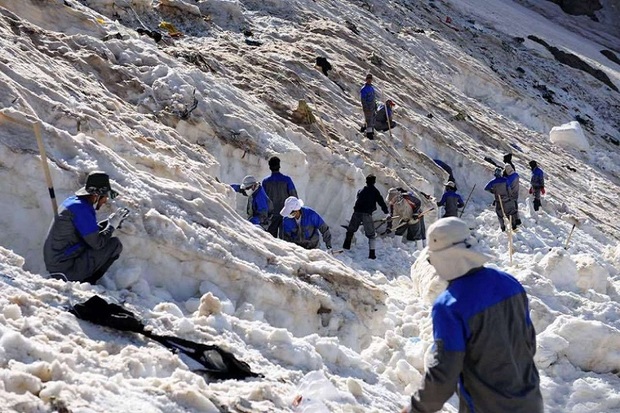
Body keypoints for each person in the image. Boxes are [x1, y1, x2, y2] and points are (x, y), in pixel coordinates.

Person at [402, 217, 543, 413]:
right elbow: (528, 344)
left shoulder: (449, 306)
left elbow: (444, 375)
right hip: (531, 402)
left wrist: (415, 409)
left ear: (442, 259)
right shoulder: (510, 284)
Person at [43, 171, 128, 284]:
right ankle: (88, 282)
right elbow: (98, 243)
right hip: (65, 269)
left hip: (58, 264)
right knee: (114, 244)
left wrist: (109, 222)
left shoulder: (75, 203)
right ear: (96, 195)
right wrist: (112, 226)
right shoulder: (82, 209)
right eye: (105, 196)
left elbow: (85, 232)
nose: (105, 200)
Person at [343, 174, 389, 259]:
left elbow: (358, 200)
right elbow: (381, 202)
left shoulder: (361, 190)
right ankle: (372, 254)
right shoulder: (375, 191)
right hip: (367, 214)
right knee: (371, 235)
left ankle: (346, 247)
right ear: (374, 182)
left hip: (356, 213)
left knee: (350, 230)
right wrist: (387, 213)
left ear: (366, 181)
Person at [262, 156, 298, 238]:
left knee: (271, 238)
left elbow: (263, 199)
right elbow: (294, 196)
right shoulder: (287, 180)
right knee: (285, 239)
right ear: (279, 166)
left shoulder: (265, 182)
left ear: (270, 167)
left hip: (271, 215)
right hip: (286, 213)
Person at [485, 167, 517, 231]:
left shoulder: (493, 182)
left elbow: (486, 188)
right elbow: (509, 190)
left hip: (498, 201)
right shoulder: (505, 180)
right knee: (509, 213)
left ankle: (503, 228)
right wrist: (510, 197)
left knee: (500, 215)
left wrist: (493, 191)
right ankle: (513, 226)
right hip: (506, 200)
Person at [360, 73, 377, 140]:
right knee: (369, 121)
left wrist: (375, 105)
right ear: (366, 80)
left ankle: (365, 129)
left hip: (372, 107)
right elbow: (363, 99)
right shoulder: (364, 89)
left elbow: (373, 98)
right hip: (368, 107)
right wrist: (366, 108)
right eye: (368, 79)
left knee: (371, 120)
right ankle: (369, 135)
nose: (369, 80)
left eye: (370, 79)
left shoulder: (371, 88)